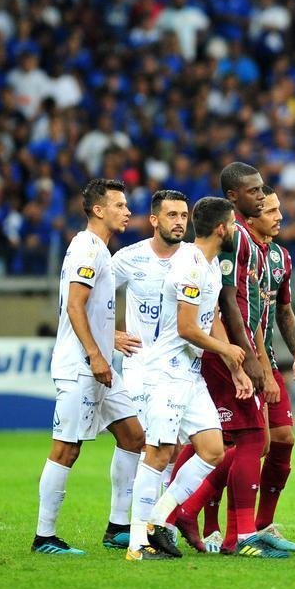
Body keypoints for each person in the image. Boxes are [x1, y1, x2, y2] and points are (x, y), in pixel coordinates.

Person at [126, 197, 258, 560]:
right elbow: (186, 328)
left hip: (190, 372)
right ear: (221, 228)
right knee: (159, 453)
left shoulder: (212, 266)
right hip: (165, 372)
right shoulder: (190, 266)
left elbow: (209, 318)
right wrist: (227, 350)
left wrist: (235, 369)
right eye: (233, 224)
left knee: (213, 450)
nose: (235, 230)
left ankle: (157, 519)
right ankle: (138, 542)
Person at [172, 162, 280, 557]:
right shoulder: (224, 247)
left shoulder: (233, 246)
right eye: (254, 192)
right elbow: (227, 310)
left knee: (220, 439)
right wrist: (243, 360)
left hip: (223, 349)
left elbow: (222, 308)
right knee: (251, 437)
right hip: (218, 350)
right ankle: (233, 530)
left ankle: (181, 513)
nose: (262, 196)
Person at [32, 179, 144, 556]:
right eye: (120, 205)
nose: (127, 211)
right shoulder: (87, 247)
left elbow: (86, 308)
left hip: (98, 362)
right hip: (81, 366)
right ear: (99, 210)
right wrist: (97, 354)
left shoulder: (99, 250)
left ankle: (117, 527)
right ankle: (44, 537)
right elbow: (74, 306)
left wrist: (110, 337)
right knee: (66, 449)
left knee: (133, 436)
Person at [111, 189, 189, 518]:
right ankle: (122, 522)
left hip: (183, 368)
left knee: (176, 448)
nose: (179, 222)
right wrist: (108, 334)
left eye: (184, 216)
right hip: (141, 366)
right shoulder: (129, 258)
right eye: (172, 215)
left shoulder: (194, 258)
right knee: (144, 443)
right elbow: (88, 298)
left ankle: (160, 522)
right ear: (155, 220)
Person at [247, 186, 295, 551]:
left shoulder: (280, 257)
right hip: (243, 362)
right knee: (236, 446)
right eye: (271, 211)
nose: (279, 216)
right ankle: (204, 523)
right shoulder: (242, 254)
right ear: (251, 217)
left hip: (268, 357)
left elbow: (282, 309)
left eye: (279, 209)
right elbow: (243, 314)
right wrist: (263, 371)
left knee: (282, 439)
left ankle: (264, 524)